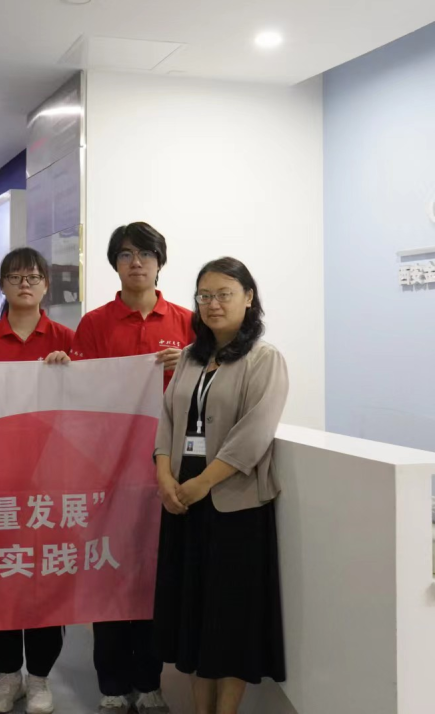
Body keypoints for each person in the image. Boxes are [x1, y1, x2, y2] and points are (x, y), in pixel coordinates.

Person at [153, 258, 289, 714]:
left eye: (224, 294)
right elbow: (167, 419)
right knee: (194, 615)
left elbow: (254, 434)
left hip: (234, 507)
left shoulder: (264, 359)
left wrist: (202, 484)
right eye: (204, 295)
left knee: (230, 621)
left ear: (248, 298)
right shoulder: (191, 357)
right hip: (183, 503)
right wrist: (164, 476)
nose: (213, 304)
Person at [72, 222, 192, 714]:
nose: (136, 262)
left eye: (145, 254)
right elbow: (80, 392)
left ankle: (149, 679)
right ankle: (111, 682)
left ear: (160, 262)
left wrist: (189, 363)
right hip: (108, 469)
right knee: (109, 570)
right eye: (125, 254)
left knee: (155, 574)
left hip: (170, 469)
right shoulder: (95, 324)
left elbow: (215, 380)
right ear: (114, 264)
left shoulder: (187, 322)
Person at [0, 248, 75, 714]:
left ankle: (40, 677)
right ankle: (7, 675)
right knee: (0, 577)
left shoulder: (66, 339)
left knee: (46, 578)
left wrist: (71, 372)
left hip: (51, 481)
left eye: (33, 277)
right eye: (15, 277)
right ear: (2, 286)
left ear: (46, 284)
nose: (24, 284)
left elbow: (85, 405)